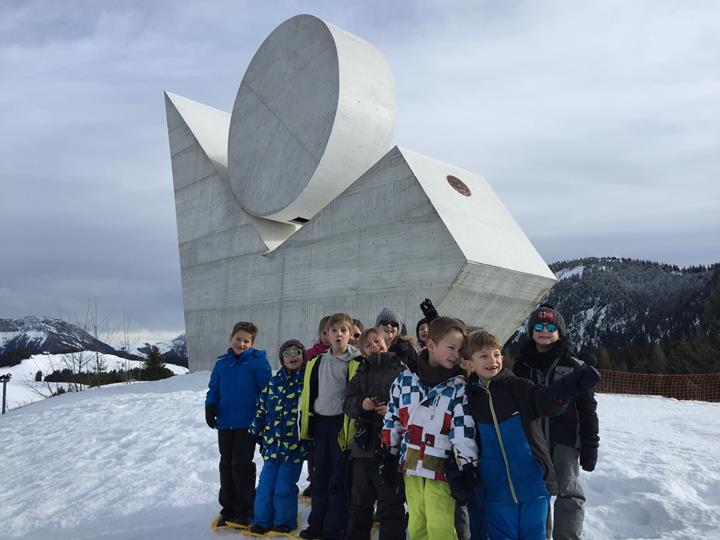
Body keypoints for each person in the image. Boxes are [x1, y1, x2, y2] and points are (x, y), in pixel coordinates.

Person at [463, 330, 601, 540]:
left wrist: (572, 385)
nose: (493, 360)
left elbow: (547, 401)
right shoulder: (469, 398)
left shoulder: (518, 387)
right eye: (484, 356)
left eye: (497, 354)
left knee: (535, 535)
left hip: (533, 485)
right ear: (470, 364)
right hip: (496, 490)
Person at [382, 316, 479, 540]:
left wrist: (467, 466)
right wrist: (389, 453)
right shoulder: (406, 380)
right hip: (411, 464)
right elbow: (393, 417)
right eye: (451, 347)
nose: (456, 354)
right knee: (417, 523)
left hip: (441, 467)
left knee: (440, 524)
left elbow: (462, 428)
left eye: (460, 349)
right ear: (431, 345)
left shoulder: (457, 386)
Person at [512, 305, 600, 540]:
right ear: (531, 331)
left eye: (550, 326)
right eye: (538, 326)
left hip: (565, 442)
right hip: (532, 442)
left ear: (559, 331)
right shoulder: (521, 367)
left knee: (569, 494)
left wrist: (591, 444)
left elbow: (588, 409)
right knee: (537, 494)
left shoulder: (575, 366)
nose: (544, 331)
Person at [298, 313, 363, 540]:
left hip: (341, 425)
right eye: (332, 330)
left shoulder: (357, 362)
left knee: (338, 480)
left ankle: (334, 529)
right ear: (326, 334)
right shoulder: (316, 362)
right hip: (320, 424)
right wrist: (306, 423)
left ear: (350, 334)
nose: (337, 335)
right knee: (319, 477)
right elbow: (308, 395)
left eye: (343, 331)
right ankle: (316, 524)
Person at [205, 321, 272, 528]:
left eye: (246, 341)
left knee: (241, 465)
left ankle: (246, 509)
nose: (241, 344)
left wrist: (264, 421)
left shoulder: (257, 363)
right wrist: (210, 406)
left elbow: (266, 392)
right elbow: (213, 390)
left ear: (252, 344)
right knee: (226, 464)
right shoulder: (222, 364)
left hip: (248, 424)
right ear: (231, 338)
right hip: (225, 424)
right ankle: (229, 508)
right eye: (238, 339)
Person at [344, 328, 406, 540]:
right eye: (368, 345)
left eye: (377, 341)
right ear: (362, 350)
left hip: (391, 449)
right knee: (359, 503)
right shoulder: (361, 372)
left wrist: (392, 410)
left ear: (387, 341)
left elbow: (411, 404)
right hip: (363, 448)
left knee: (391, 505)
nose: (374, 347)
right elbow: (348, 403)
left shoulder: (401, 369)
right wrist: (362, 403)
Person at [249, 340, 311, 534]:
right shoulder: (274, 382)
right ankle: (261, 520)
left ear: (303, 356)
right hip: (272, 444)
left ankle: (284, 520)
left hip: (294, 447)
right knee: (265, 485)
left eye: (297, 352)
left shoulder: (308, 382)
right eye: (287, 353)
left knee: (284, 486)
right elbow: (262, 408)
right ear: (282, 359)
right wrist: (255, 431)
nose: (293, 356)